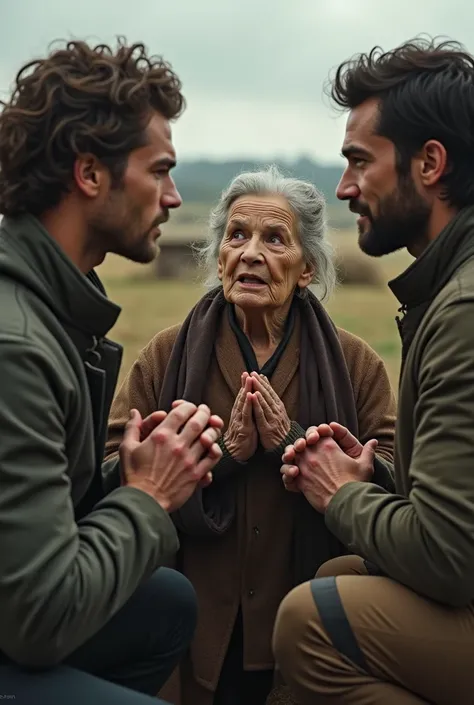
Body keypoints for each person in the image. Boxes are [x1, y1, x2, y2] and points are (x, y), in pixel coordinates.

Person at [104, 165, 397, 705]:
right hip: (192, 619)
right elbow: (110, 469)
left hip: (307, 616)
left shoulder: (355, 365)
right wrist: (216, 456)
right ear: (219, 258)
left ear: (307, 268)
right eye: (237, 235)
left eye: (274, 238)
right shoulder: (167, 355)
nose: (251, 252)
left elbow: (396, 479)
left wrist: (306, 449)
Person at [0, 39, 226, 705]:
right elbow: (39, 618)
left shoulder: (50, 304)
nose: (174, 197)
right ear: (90, 174)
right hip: (25, 621)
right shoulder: (18, 343)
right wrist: (149, 495)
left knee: (163, 604)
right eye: (159, 170)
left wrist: (127, 472)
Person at [273, 37, 474, 705]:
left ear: (430, 163)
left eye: (360, 162)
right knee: (343, 572)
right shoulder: (449, 288)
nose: (344, 187)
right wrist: (381, 479)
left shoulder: (463, 309)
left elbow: (448, 558)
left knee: (310, 623)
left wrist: (339, 492)